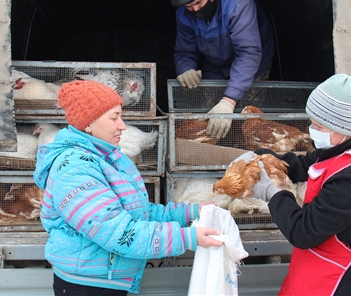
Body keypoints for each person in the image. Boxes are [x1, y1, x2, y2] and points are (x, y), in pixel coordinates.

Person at [33, 80, 223, 296]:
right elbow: (117, 231)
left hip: (107, 280)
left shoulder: (108, 157)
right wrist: (186, 238)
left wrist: (189, 212)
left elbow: (137, 212)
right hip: (88, 285)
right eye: (114, 118)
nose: (122, 125)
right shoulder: (75, 169)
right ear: (88, 123)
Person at [250, 74, 351, 295]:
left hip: (341, 278)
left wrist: (274, 191)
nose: (312, 130)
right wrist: (269, 159)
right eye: (313, 123)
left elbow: (303, 231)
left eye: (319, 126)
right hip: (318, 265)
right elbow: (310, 163)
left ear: (343, 127)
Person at [170, 0, 275, 139]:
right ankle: (213, 154)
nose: (195, 9)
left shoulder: (238, 2)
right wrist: (185, 68)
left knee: (246, 118)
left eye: (198, 2)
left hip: (252, 62)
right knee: (209, 116)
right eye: (189, 6)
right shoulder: (184, 13)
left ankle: (241, 153)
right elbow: (185, 51)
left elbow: (248, 53)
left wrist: (228, 101)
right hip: (213, 62)